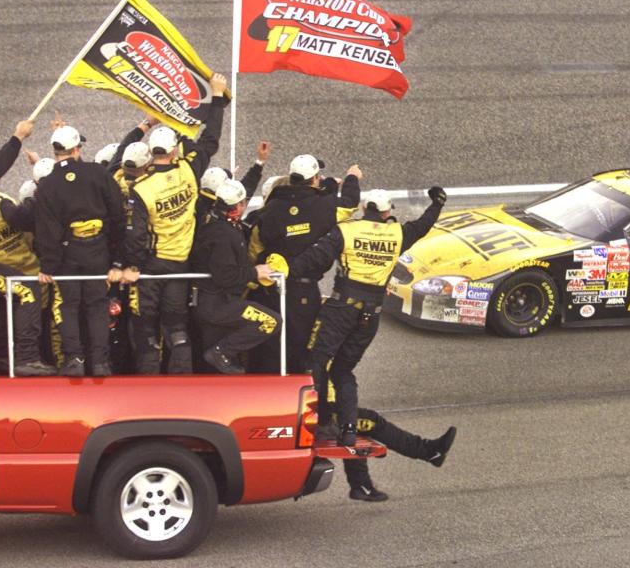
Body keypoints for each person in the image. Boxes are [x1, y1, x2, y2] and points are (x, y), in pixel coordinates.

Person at [289, 186, 447, 445]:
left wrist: (284, 270)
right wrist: (437, 204)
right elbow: (422, 226)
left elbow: (314, 257)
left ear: (365, 208)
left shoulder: (347, 230)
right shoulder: (398, 233)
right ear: (387, 212)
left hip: (341, 308)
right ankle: (349, 430)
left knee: (316, 361)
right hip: (370, 316)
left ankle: (319, 421)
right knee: (343, 370)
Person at [122, 73, 228, 374]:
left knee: (146, 330)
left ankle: (148, 387)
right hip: (181, 264)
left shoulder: (140, 188)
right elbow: (211, 139)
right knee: (177, 329)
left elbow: (136, 235)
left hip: (152, 268)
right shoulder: (189, 170)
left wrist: (133, 265)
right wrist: (217, 97)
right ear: (173, 151)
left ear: (151, 153)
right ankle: (181, 385)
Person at [252, 155, 361, 374]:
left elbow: (254, 250)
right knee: (302, 346)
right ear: (314, 179)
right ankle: (297, 393)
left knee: (273, 344)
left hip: (272, 288)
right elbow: (350, 204)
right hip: (304, 290)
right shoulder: (325, 205)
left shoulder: (269, 210)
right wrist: (352, 177)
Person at [34, 124, 125, 376]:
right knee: (97, 304)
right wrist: (116, 254)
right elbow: (117, 213)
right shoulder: (97, 173)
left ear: (55, 151)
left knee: (68, 306)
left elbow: (47, 230)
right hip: (98, 251)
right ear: (76, 148)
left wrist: (48, 266)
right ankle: (100, 362)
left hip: (67, 255)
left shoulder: (48, 184)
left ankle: (74, 359)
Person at [0, 120, 55, 376]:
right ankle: (27, 358)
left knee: (4, 291)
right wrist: (17, 137)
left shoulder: (0, 200)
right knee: (26, 287)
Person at [189, 180, 279, 374]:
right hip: (217, 306)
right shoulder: (223, 234)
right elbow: (225, 276)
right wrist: (256, 272)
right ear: (238, 206)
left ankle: (220, 360)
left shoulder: (216, 223)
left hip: (211, 302)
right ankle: (221, 353)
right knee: (271, 321)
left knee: (214, 370)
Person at [196, 140, 271, 222]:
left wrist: (260, 162)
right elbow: (247, 188)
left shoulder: (193, 204)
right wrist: (260, 162)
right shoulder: (228, 208)